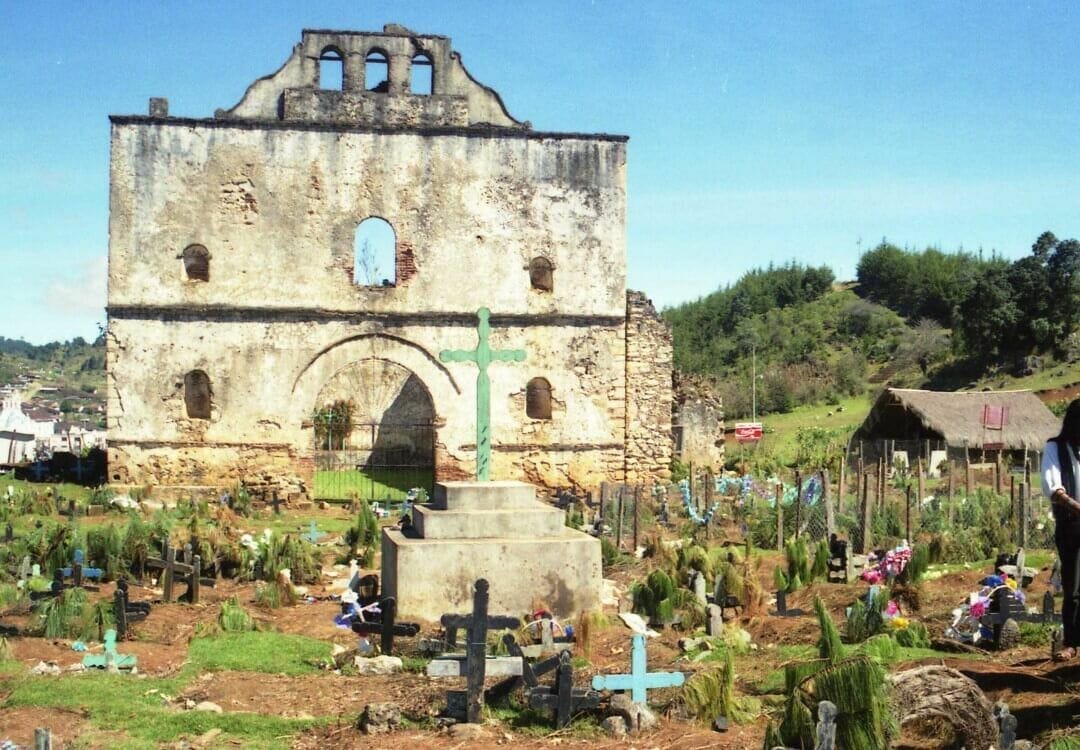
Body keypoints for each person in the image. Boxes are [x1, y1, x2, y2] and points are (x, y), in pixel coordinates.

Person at [1041, 398, 1080, 660]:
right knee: (1074, 586)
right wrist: (1075, 506)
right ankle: (1071, 642)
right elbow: (1052, 486)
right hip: (1072, 525)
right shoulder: (1055, 448)